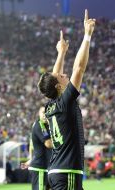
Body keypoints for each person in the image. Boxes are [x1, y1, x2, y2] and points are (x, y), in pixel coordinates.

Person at [38, 9, 96, 190]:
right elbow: (78, 69)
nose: (65, 75)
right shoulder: (64, 102)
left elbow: (55, 76)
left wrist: (61, 54)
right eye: (62, 77)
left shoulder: (50, 107)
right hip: (68, 172)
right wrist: (87, 36)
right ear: (58, 86)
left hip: (57, 171)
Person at [21, 107, 52, 190]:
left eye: (47, 112)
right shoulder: (40, 125)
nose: (45, 115)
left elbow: (35, 148)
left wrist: (30, 160)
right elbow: (48, 144)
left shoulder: (48, 126)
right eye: (43, 112)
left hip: (46, 166)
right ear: (39, 114)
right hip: (40, 168)